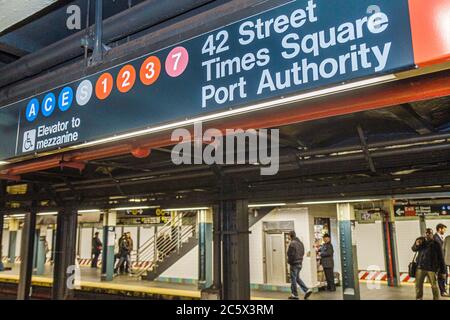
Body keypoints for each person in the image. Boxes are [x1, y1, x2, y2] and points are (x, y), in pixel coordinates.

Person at [412, 228, 446, 300]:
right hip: (420, 267)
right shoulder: (420, 241)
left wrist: (443, 271)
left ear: (432, 234)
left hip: (432, 268)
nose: (427, 235)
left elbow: (441, 258)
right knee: (418, 285)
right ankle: (419, 298)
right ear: (424, 234)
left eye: (429, 233)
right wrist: (417, 244)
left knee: (434, 285)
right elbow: (413, 249)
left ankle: (436, 298)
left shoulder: (436, 244)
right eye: (426, 233)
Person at [287, 230, 313, 300]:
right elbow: (303, 253)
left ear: (290, 235)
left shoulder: (292, 243)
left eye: (288, 235)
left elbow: (291, 254)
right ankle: (307, 290)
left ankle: (294, 294)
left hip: (294, 264)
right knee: (297, 278)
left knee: (293, 279)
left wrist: (289, 261)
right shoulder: (300, 243)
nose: (288, 237)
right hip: (300, 263)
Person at [433, 223, 448, 296]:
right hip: (439, 261)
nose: (445, 231)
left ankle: (444, 290)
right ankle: (443, 291)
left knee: (444, 275)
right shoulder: (435, 238)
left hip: (442, 260)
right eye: (444, 229)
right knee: (441, 276)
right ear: (439, 229)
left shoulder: (440, 237)